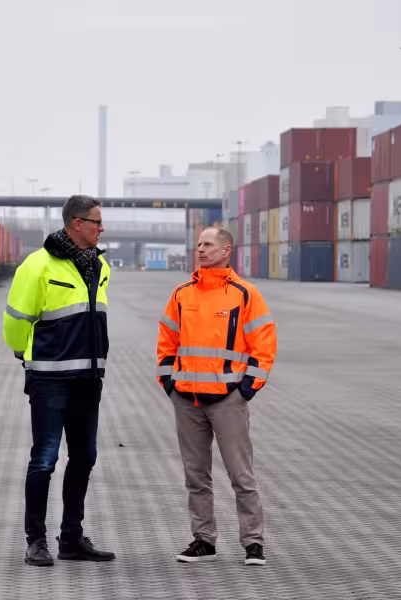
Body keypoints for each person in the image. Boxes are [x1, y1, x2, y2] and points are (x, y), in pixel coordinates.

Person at [3, 195, 116, 567]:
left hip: (88, 379)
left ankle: (71, 537)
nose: (102, 229)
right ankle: (35, 540)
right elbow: (17, 319)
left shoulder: (99, 266)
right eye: (96, 222)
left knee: (85, 457)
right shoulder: (38, 265)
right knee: (45, 460)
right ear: (76, 223)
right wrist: (26, 356)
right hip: (50, 381)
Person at [154, 226, 277, 566]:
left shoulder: (245, 294)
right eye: (198, 245)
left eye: (208, 245)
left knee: (241, 475)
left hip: (227, 400)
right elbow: (167, 340)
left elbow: (263, 346)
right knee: (196, 476)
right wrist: (169, 384)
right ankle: (203, 540)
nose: (201, 250)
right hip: (187, 400)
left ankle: (253, 543)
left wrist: (246, 390)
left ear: (226, 251)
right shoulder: (182, 294)